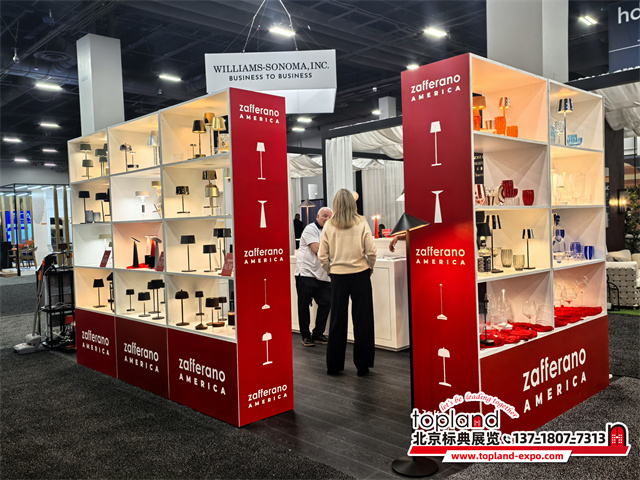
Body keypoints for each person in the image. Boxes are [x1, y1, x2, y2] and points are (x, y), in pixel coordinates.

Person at [319, 189, 377, 376]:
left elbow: (322, 255)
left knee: (337, 321)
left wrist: (330, 271)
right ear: (353, 203)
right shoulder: (361, 223)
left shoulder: (329, 225)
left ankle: (334, 365)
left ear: (335, 204)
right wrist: (370, 267)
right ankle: (363, 365)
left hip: (338, 276)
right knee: (363, 320)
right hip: (360, 275)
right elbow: (371, 251)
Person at [294, 207, 333, 347]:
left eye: (330, 217)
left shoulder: (331, 231)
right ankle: (305, 335)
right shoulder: (310, 229)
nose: (327, 219)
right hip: (306, 273)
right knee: (304, 305)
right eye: (324, 216)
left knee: (326, 303)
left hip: (323, 274)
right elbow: (317, 249)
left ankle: (318, 334)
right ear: (317, 216)